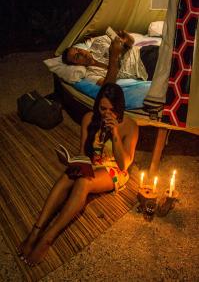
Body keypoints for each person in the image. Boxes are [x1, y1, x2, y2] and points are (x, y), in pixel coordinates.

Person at [17, 83, 139, 266]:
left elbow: (124, 165)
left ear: (119, 108)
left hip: (113, 169)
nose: (107, 113)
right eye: (103, 108)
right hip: (93, 163)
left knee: (83, 182)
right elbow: (83, 151)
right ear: (97, 105)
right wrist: (75, 162)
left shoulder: (130, 126)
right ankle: (36, 230)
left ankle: (48, 238)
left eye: (112, 110)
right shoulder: (89, 118)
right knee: (68, 175)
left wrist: (114, 133)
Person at [62, 30, 159, 85]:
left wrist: (127, 37)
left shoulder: (99, 42)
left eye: (78, 49)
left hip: (143, 53)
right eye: (77, 56)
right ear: (76, 64)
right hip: (144, 71)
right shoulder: (90, 74)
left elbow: (130, 43)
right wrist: (114, 57)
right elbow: (108, 85)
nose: (82, 52)